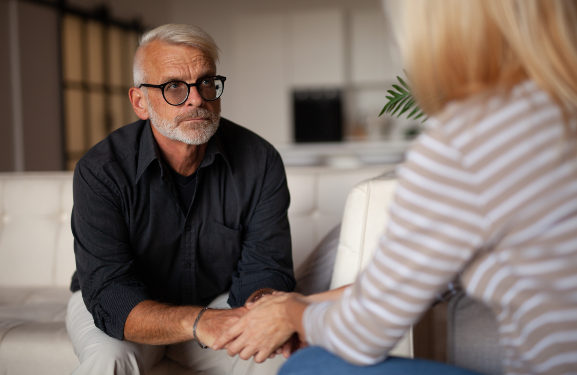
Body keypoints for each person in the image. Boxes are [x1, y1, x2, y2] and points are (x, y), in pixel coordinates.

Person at [213, 1, 577, 374]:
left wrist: (291, 314)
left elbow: (364, 334)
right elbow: (431, 283)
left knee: (306, 366)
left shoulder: (472, 136)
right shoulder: (560, 110)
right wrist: (298, 305)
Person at [66, 23, 296, 375]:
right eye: (174, 86)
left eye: (206, 82)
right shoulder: (101, 171)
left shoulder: (259, 160)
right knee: (107, 361)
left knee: (269, 355)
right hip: (129, 309)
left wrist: (264, 309)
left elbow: (264, 269)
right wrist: (197, 321)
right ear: (140, 102)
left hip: (217, 298)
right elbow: (111, 296)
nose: (197, 99)